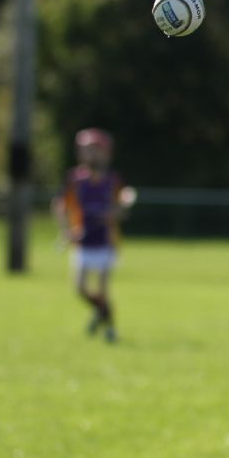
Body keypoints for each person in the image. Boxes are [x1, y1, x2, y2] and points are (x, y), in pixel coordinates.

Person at [54, 128, 136, 344]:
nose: (90, 155)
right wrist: (66, 229)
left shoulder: (113, 179)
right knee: (80, 288)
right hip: (83, 241)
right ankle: (101, 313)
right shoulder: (75, 179)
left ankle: (110, 328)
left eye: (94, 150)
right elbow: (60, 205)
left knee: (103, 289)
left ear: (105, 153)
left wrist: (118, 210)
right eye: (86, 150)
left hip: (106, 241)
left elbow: (126, 199)